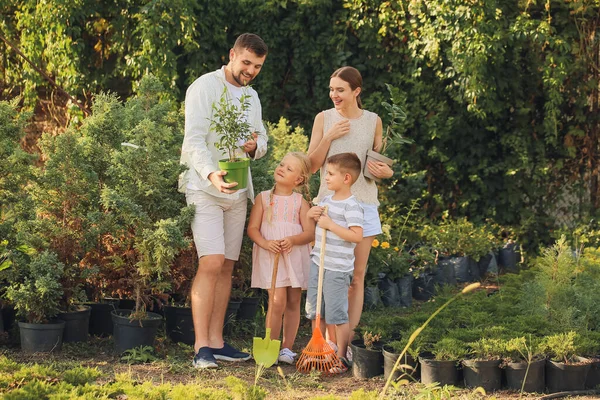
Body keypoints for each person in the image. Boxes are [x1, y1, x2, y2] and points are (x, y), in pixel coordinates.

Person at [179, 33, 269, 369]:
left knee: (228, 265)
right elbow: (194, 140)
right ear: (232, 55)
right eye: (246, 62)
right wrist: (211, 174)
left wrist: (254, 146)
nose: (250, 70)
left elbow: (262, 139)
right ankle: (200, 346)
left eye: (257, 66)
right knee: (212, 262)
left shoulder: (252, 96)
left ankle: (217, 342)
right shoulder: (204, 87)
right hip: (205, 188)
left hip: (238, 190)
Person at [306, 66, 394, 362]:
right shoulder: (324, 119)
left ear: (356, 91)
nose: (334, 95)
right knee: (328, 273)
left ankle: (345, 344)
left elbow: (376, 168)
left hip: (363, 206)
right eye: (331, 89)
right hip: (329, 207)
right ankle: (327, 342)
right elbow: (310, 165)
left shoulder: (373, 122)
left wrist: (386, 172)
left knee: (355, 277)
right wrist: (329, 136)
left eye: (340, 90)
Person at [247, 152, 314, 365]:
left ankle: (287, 348)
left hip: (293, 256)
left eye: (289, 168)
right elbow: (253, 229)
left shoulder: (300, 202)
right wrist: (266, 244)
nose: (282, 168)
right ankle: (271, 344)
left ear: (299, 180)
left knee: (294, 301)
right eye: (282, 164)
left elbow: (310, 233)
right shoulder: (263, 198)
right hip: (271, 255)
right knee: (277, 302)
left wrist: (293, 240)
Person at [306, 152, 364, 374]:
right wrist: (311, 214)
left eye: (330, 174)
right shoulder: (326, 201)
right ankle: (319, 351)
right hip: (318, 264)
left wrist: (330, 224)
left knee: (337, 314)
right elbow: (313, 226)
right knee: (315, 311)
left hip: (337, 269)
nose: (326, 178)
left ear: (346, 178)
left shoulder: (352, 206)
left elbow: (357, 236)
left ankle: (341, 356)